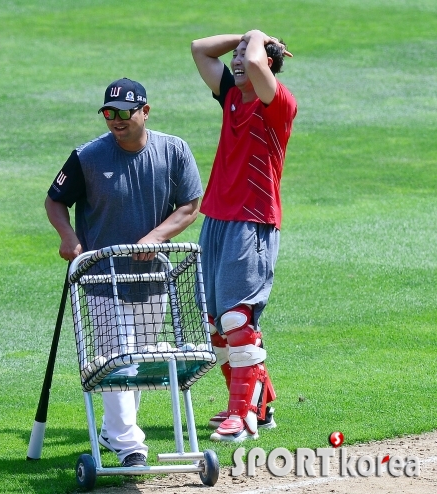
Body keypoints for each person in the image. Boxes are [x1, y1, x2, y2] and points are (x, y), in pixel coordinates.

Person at [45, 78, 203, 467]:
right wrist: (68, 237)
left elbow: (190, 205)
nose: (115, 120)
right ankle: (130, 446)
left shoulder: (174, 150)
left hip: (152, 280)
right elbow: (54, 201)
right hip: (102, 279)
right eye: (108, 113)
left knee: (137, 361)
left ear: (145, 112)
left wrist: (154, 238)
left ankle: (112, 431)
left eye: (123, 113)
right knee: (118, 358)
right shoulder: (87, 157)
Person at [190, 30, 297, 442]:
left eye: (243, 54)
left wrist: (256, 39)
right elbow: (199, 49)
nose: (237, 60)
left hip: (252, 221)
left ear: (267, 62)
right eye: (234, 54)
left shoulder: (279, 104)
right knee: (217, 326)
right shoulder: (232, 96)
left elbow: (254, 63)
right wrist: (246, 35)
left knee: (238, 318)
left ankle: (243, 417)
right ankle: (260, 406)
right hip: (216, 219)